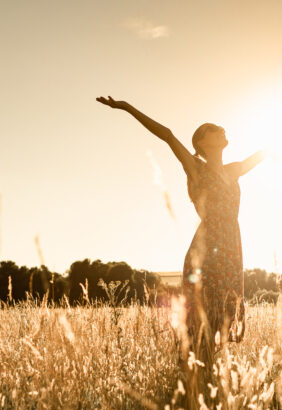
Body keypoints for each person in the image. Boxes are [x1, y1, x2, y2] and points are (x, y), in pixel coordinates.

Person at [95, 96, 267, 357]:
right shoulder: (195, 168)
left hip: (232, 245)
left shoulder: (233, 171)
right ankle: (195, 368)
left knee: (225, 313)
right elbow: (167, 135)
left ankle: (207, 371)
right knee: (204, 315)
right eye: (213, 128)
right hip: (208, 247)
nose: (220, 129)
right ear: (201, 142)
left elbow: (263, 154)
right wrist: (127, 107)